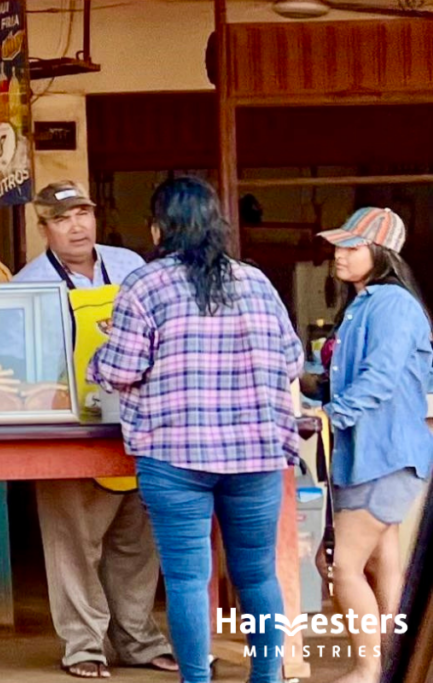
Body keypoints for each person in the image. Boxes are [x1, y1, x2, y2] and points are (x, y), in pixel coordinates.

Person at [90, 176, 304, 683]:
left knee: (187, 577)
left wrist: (101, 355)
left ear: (159, 228)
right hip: (255, 455)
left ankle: (196, 679)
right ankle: (267, 677)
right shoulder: (256, 282)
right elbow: (292, 360)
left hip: (175, 456)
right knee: (257, 574)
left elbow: (121, 370)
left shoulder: (145, 284)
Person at [14, 180, 176, 679]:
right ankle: (83, 645)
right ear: (43, 229)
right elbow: (22, 364)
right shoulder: (29, 285)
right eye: (62, 219)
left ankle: (137, 639)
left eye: (83, 213)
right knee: (73, 544)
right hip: (70, 428)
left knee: (137, 538)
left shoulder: (129, 265)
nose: (77, 225)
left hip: (136, 423)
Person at [315, 208, 433, 683]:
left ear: (381, 253)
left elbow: (379, 378)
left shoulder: (391, 304)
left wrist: (328, 414)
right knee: (385, 563)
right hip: (374, 453)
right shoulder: (366, 302)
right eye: (338, 247)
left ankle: (368, 670)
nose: (339, 256)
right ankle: (388, 664)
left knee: (341, 567)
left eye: (352, 247)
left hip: (385, 453)